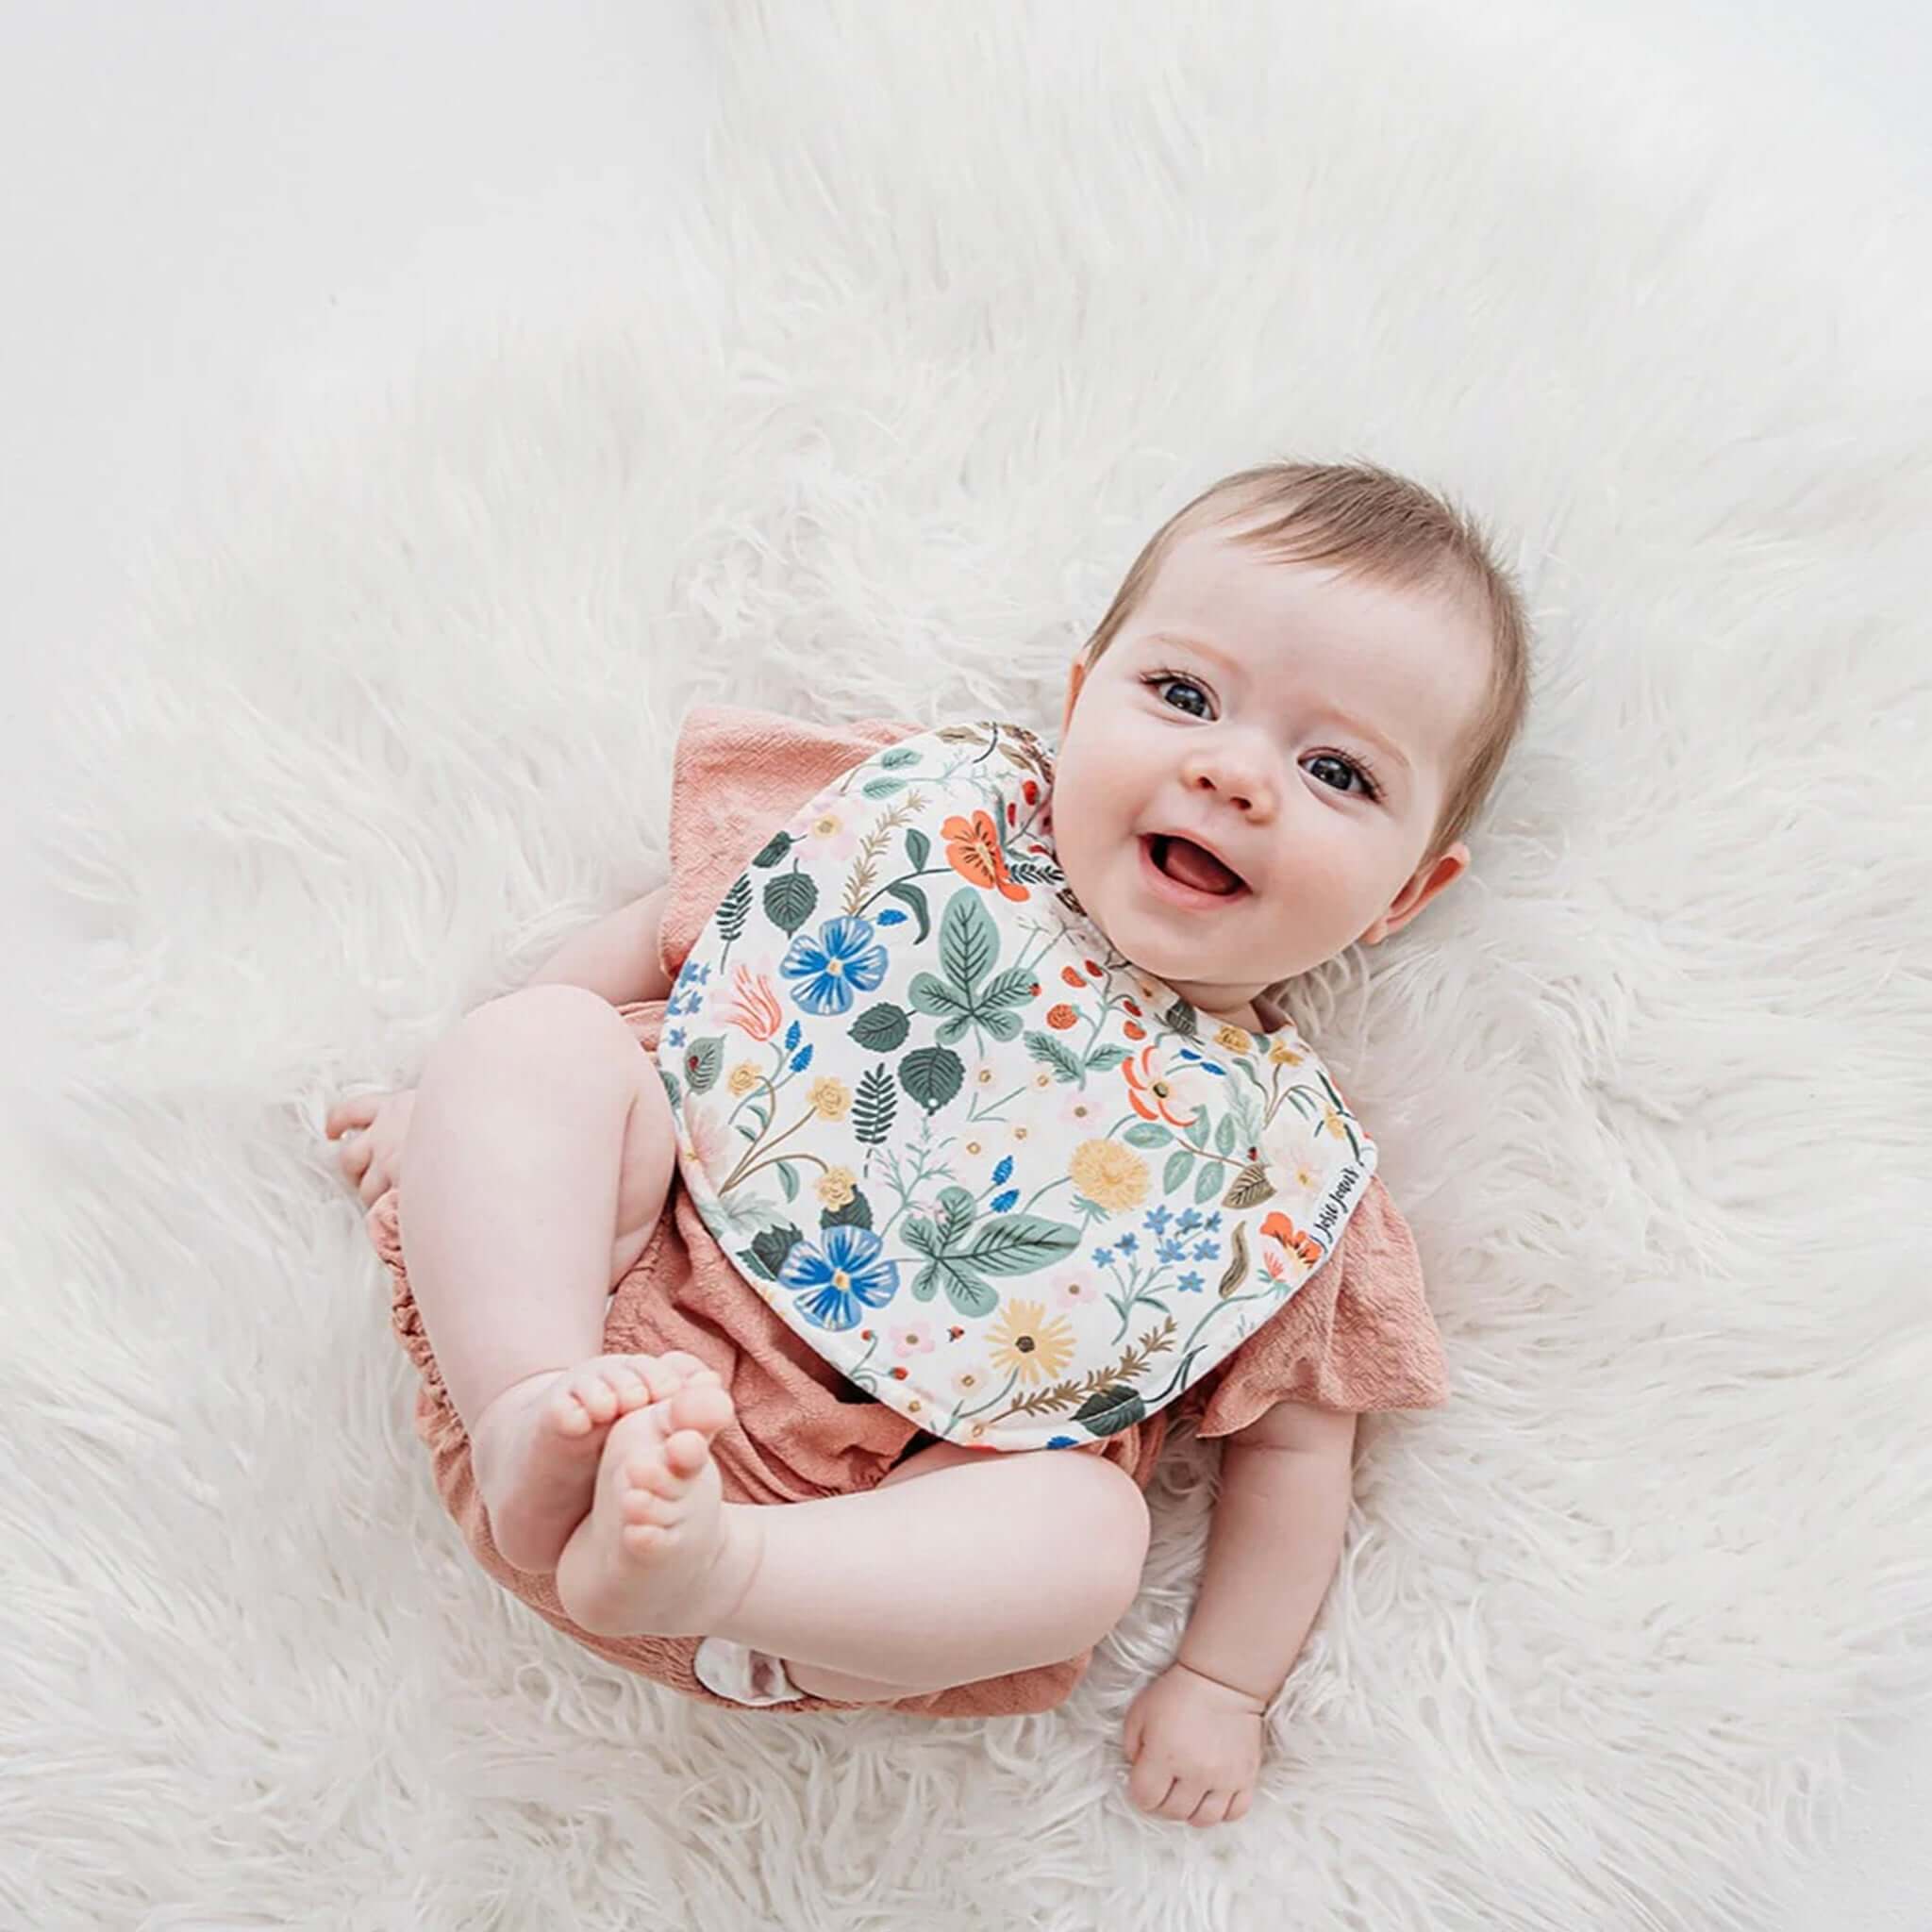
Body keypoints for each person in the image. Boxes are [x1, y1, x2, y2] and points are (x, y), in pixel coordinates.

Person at [326, 459, 1531, 1829]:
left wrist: (1224, 1681)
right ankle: (522, 1410)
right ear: (1081, 704)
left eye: (1337, 772)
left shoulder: (1286, 1169)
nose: (1233, 773)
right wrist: (460, 1140)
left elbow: (1302, 1460)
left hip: (844, 1552)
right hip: (606, 1304)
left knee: (1088, 1537)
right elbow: (674, 936)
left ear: (1408, 892)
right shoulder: (919, 826)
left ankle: (707, 1563)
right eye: (1186, 696)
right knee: (534, 1038)